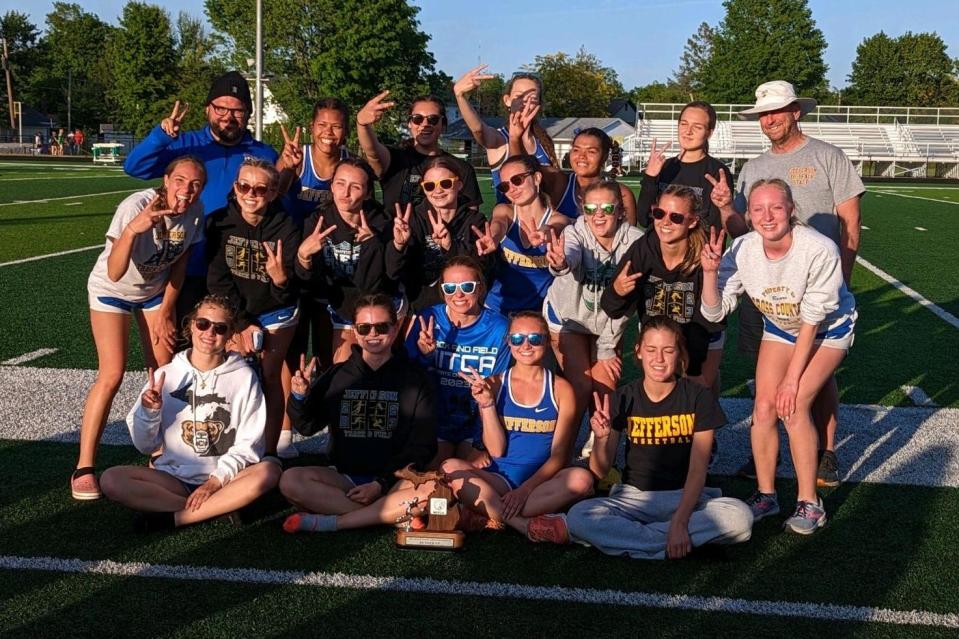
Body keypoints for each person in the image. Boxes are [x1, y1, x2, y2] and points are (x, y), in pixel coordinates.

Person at [701, 178, 857, 535]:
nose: (767, 216)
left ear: (791, 210)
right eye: (758, 209)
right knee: (763, 409)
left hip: (827, 330)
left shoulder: (818, 249)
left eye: (775, 207)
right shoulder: (742, 249)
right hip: (781, 326)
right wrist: (710, 275)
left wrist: (791, 380)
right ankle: (766, 494)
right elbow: (715, 313)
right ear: (749, 214)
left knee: (794, 404)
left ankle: (809, 502)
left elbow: (813, 321)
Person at [526, 317, 754, 558]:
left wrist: (680, 520)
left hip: (686, 496)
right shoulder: (622, 397)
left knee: (740, 516)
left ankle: (643, 541)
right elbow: (600, 470)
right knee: (580, 516)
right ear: (638, 352)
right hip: (633, 499)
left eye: (668, 351)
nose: (659, 359)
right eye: (651, 350)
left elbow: (698, 470)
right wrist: (601, 438)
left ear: (679, 354)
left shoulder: (698, 396)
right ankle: (672, 542)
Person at [733, 81, 865, 487]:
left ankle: (826, 452)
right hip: (772, 291)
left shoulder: (828, 156)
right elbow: (743, 228)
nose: (769, 119)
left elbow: (850, 225)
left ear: (796, 112)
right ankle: (765, 455)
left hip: (820, 287)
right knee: (767, 381)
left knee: (814, 376)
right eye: (763, 114)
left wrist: (839, 283)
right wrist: (724, 206)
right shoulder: (753, 168)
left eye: (777, 111)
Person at [72, 157, 207, 500]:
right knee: (112, 373)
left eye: (194, 184)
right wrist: (134, 228)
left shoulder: (196, 211)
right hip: (111, 290)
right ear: (166, 179)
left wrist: (166, 309)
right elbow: (115, 272)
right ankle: (85, 465)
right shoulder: (136, 205)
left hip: (153, 292)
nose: (186, 190)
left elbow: (179, 266)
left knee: (163, 373)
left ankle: (161, 452)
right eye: (179, 181)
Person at [99, 295, 281, 531]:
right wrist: (149, 411)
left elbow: (250, 444)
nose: (209, 333)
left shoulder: (244, 377)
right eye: (203, 324)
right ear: (191, 326)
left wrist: (214, 483)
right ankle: (218, 510)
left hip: (226, 478)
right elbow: (145, 445)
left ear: (229, 335)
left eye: (220, 328)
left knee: (270, 471)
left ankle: (178, 517)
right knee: (111, 480)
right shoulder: (167, 375)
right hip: (173, 478)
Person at [124, 71, 279, 326]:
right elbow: (135, 167)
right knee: (184, 348)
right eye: (220, 108)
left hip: (241, 270)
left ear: (248, 114)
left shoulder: (263, 154)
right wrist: (161, 137)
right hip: (187, 267)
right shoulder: (185, 145)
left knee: (242, 349)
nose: (228, 117)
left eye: (238, 111)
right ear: (208, 108)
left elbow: (278, 202)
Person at [280, 293, 438, 533]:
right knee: (290, 481)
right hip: (345, 479)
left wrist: (380, 484)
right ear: (355, 331)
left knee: (435, 489)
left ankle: (335, 522)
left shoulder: (415, 378)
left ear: (395, 329)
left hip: (396, 481)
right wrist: (300, 396)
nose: (372, 334)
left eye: (382, 327)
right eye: (364, 328)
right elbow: (307, 426)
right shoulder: (338, 375)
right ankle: (391, 514)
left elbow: (423, 445)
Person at [441, 312, 595, 539]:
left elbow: (559, 456)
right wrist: (487, 405)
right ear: (508, 342)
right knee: (449, 467)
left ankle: (487, 512)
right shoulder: (494, 383)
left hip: (542, 482)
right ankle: (524, 525)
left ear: (547, 341)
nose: (525, 345)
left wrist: (525, 490)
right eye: (517, 339)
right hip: (499, 479)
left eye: (534, 339)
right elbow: (496, 450)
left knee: (582, 480)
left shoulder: (561, 389)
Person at [205, 157, 301, 457]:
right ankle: (231, 449)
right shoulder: (220, 222)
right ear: (235, 187)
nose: (250, 194)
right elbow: (217, 280)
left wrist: (280, 280)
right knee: (236, 374)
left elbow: (288, 292)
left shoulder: (286, 226)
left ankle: (270, 451)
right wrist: (241, 323)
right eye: (244, 186)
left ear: (273, 193)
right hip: (236, 310)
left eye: (260, 189)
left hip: (277, 307)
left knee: (270, 375)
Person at [601, 185, 725, 392]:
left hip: (702, 332)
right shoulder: (643, 247)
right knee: (663, 391)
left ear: (692, 221)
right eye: (659, 213)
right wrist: (617, 291)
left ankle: (711, 397)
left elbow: (709, 321)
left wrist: (694, 371)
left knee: (698, 391)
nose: (665, 222)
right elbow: (611, 307)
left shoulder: (704, 253)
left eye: (676, 217)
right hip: (658, 336)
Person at [543, 180, 643, 415]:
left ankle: (598, 446)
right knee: (580, 386)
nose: (598, 215)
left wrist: (607, 346)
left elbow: (628, 304)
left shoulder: (637, 242)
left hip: (610, 320)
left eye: (607, 208)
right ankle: (564, 448)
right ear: (583, 211)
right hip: (569, 317)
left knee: (604, 390)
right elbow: (570, 254)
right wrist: (561, 262)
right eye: (590, 209)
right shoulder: (574, 232)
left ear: (620, 211)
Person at [275, 98, 350, 395]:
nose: (328, 132)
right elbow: (273, 195)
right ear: (311, 127)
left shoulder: (349, 162)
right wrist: (286, 169)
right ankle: (283, 431)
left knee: (326, 349)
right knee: (291, 352)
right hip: (295, 264)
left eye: (336, 125)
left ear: (345, 130)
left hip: (331, 268)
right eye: (322, 125)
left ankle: (330, 426)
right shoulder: (297, 157)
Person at [406, 257, 511, 466]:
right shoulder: (428, 319)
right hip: (434, 418)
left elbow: (500, 386)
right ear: (442, 291)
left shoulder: (500, 328)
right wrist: (424, 355)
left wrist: (482, 440)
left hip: (477, 419)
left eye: (467, 286)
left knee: (471, 473)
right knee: (429, 474)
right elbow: (406, 376)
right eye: (450, 287)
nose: (459, 294)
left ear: (480, 289)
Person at [294, 158, 397, 364]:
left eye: (355, 186)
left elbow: (377, 283)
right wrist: (303, 257)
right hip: (330, 303)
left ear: (367, 193)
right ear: (331, 186)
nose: (346, 192)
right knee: (329, 364)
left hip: (366, 305)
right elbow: (306, 281)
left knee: (360, 364)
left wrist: (372, 246)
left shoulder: (382, 223)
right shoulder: (317, 221)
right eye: (340, 183)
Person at [386, 156, 491, 310]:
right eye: (429, 186)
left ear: (459, 184)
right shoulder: (413, 219)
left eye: (446, 183)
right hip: (422, 306)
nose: (438, 190)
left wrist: (451, 247)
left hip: (463, 305)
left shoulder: (475, 221)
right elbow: (392, 272)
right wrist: (398, 245)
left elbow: (481, 270)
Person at [507, 104, 637, 224]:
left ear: (604, 156)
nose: (581, 156)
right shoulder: (560, 182)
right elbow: (520, 169)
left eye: (591, 151)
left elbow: (630, 241)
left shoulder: (621, 193)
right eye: (576, 150)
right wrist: (514, 138)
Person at [356, 92, 482, 213]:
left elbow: (471, 218)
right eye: (417, 119)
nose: (425, 124)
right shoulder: (394, 159)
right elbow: (372, 152)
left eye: (433, 119)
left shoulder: (462, 169)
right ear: (409, 124)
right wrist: (362, 124)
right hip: (397, 234)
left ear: (443, 125)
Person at [476, 154, 570, 315]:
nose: (511, 188)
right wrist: (493, 237)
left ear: (537, 178)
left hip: (539, 314)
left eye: (517, 180)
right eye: (504, 186)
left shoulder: (559, 219)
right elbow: (498, 224)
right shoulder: (505, 211)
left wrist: (544, 233)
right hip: (498, 308)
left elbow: (555, 226)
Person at [636, 101, 746, 236]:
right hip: (657, 251)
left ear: (709, 133)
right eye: (684, 124)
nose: (688, 131)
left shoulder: (716, 172)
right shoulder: (663, 166)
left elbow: (713, 230)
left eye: (697, 127)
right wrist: (650, 178)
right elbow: (643, 219)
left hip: (694, 253)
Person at [453, 67, 559, 203]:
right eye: (519, 96)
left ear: (539, 104)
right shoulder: (500, 139)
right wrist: (460, 96)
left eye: (532, 98)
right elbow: (478, 129)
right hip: (511, 221)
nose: (525, 103)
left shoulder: (543, 141)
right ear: (507, 100)